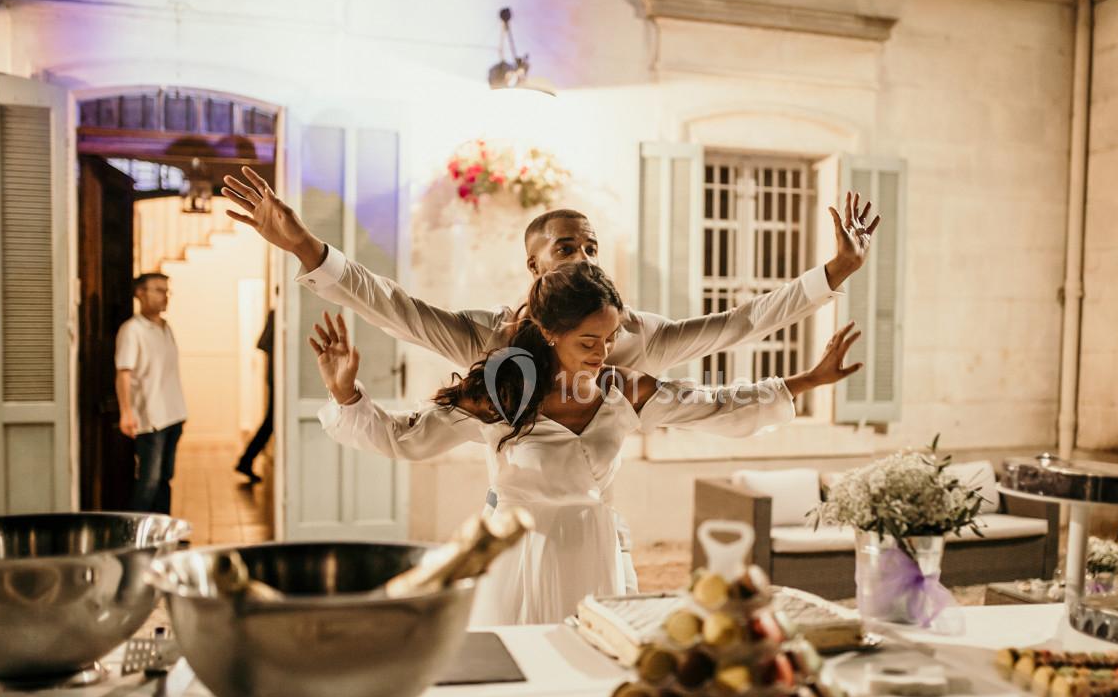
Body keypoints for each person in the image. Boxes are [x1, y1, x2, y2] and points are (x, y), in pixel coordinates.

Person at [223, 166, 880, 588]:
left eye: (591, 245)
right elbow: (394, 309)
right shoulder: (488, 341)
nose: (584, 254)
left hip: (591, 539)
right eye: (568, 246)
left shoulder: (637, 340)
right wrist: (308, 249)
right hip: (513, 539)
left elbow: (740, 323)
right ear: (534, 265)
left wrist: (835, 275)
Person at [310, 262, 862, 625]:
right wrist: (345, 391)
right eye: (588, 340)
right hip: (519, 559)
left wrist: (807, 380)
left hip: (595, 552)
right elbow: (403, 440)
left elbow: (717, 406)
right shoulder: (502, 391)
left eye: (611, 337)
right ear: (550, 332)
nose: (604, 351)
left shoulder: (624, 391)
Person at [115, 272, 187, 514]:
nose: (164, 296)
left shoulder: (166, 327)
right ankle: (137, 541)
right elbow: (123, 373)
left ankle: (164, 536)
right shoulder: (132, 330)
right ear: (140, 293)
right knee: (149, 482)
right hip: (150, 418)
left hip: (174, 414)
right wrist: (126, 413)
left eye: (166, 291)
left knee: (165, 479)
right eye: (158, 290)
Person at [235, 309, 275, 484]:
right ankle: (246, 460)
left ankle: (246, 460)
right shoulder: (278, 313)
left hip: (277, 378)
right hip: (279, 379)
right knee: (270, 422)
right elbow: (263, 344)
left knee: (270, 422)